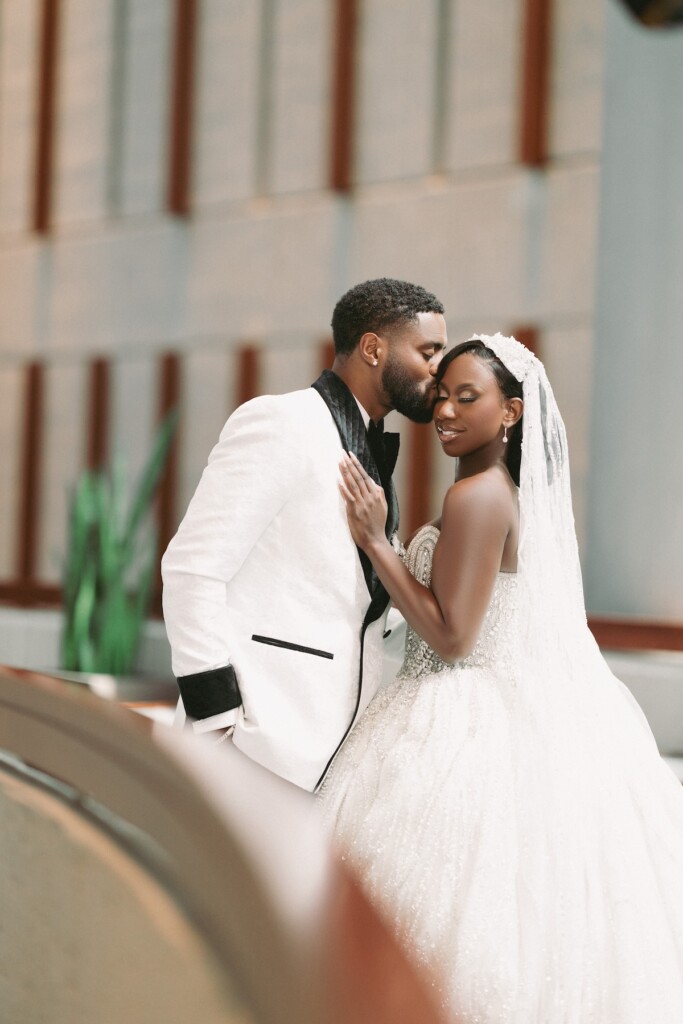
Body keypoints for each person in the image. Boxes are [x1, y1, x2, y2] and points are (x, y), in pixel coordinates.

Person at [319, 334, 683, 1022]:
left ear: (511, 412)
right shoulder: (500, 492)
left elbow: (453, 636)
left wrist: (375, 542)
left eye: (467, 397)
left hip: (453, 716)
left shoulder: (477, 498)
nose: (446, 413)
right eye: (440, 398)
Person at [161, 278, 447, 791]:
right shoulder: (281, 422)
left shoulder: (368, 444)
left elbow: (356, 602)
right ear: (374, 348)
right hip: (253, 746)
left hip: (328, 757)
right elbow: (191, 569)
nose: (438, 368)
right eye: (429, 351)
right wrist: (217, 721)